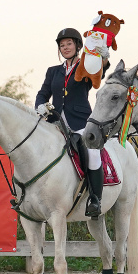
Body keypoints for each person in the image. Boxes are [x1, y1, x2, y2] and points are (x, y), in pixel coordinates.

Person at [34, 27, 109, 218]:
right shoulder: (53, 72)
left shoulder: (86, 66)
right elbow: (43, 92)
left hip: (81, 122)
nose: (65, 47)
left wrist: (104, 60)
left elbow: (97, 75)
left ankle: (95, 199)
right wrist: (40, 105)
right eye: (62, 45)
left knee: (92, 154)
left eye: (69, 44)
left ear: (77, 46)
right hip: (56, 123)